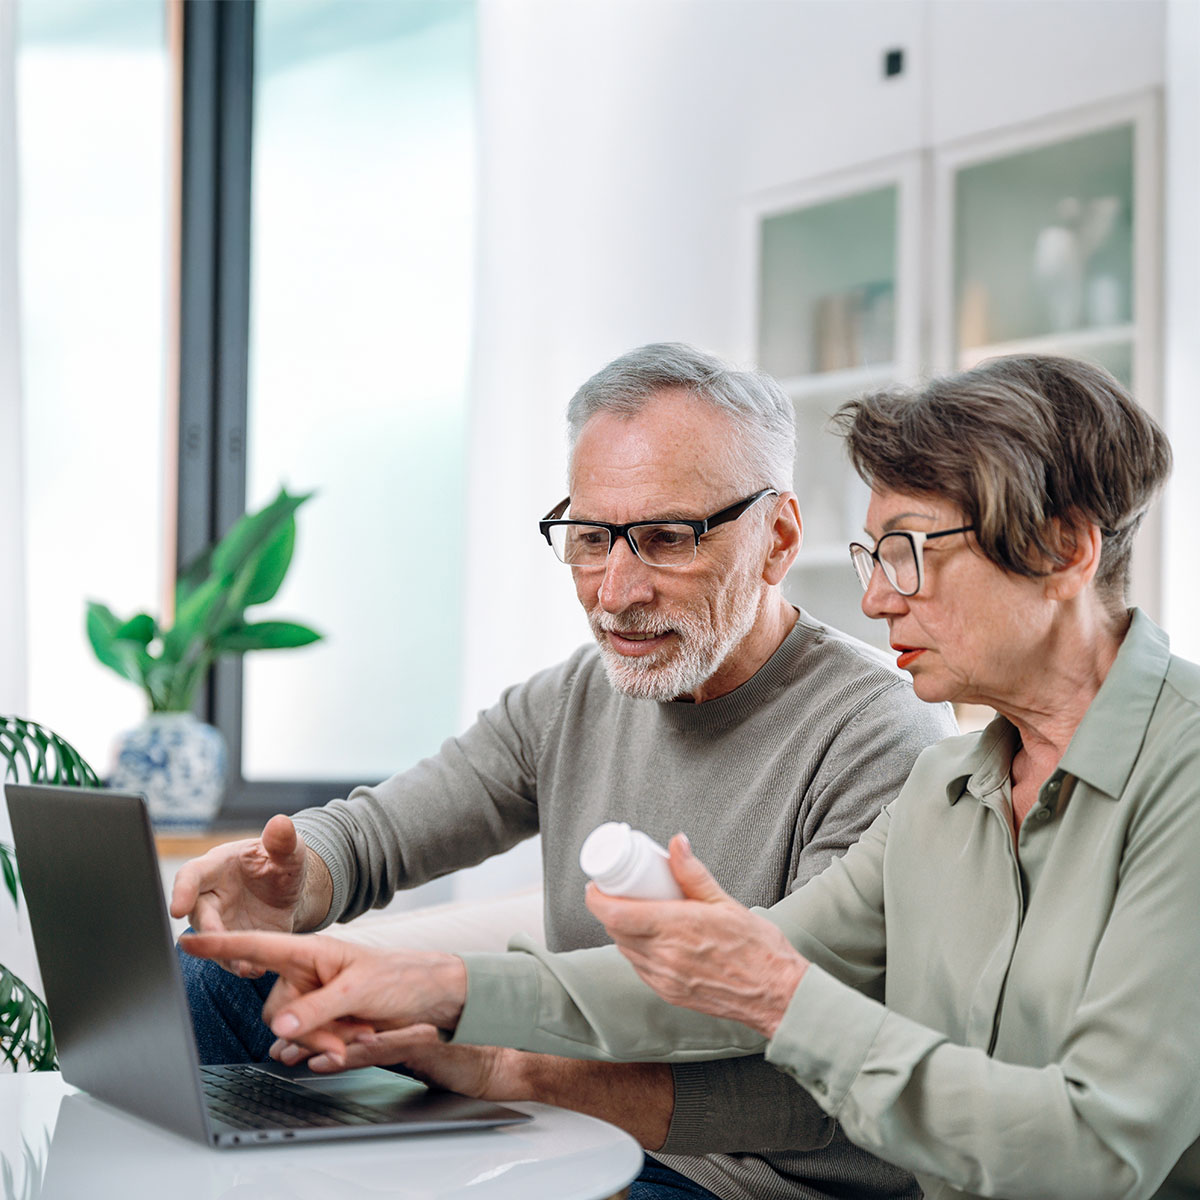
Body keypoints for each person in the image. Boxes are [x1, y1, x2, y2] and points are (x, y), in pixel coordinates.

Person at [184, 355, 1200, 1200]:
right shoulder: (959, 789)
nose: (881, 600)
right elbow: (720, 976)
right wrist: (443, 989)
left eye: (910, 554)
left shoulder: (1163, 774)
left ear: (1065, 550)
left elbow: (1091, 1153)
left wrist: (764, 996)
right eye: (873, 555)